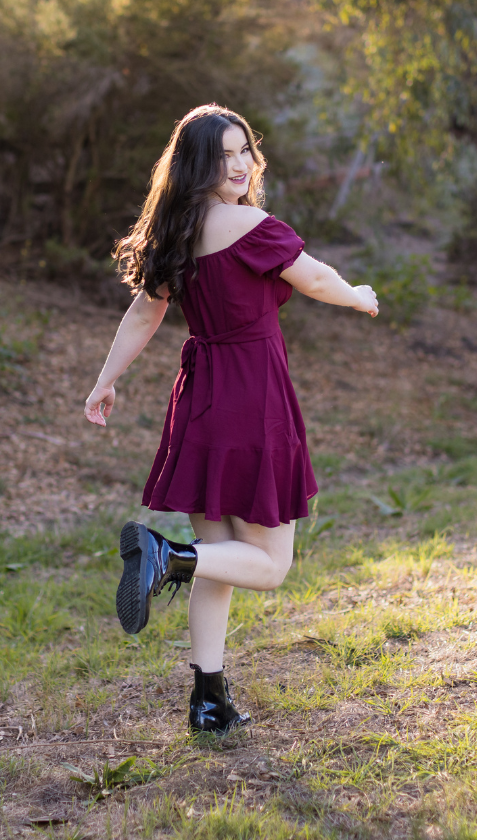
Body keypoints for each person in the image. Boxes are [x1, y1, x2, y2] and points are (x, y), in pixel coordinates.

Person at [83, 105, 377, 736]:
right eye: (223, 155)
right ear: (197, 165)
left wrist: (106, 381)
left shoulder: (177, 233)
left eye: (245, 149)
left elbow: (143, 315)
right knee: (268, 565)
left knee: (218, 557)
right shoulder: (251, 226)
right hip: (253, 399)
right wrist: (356, 295)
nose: (240, 164)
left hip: (200, 398)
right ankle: (166, 555)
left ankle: (208, 700)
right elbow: (317, 277)